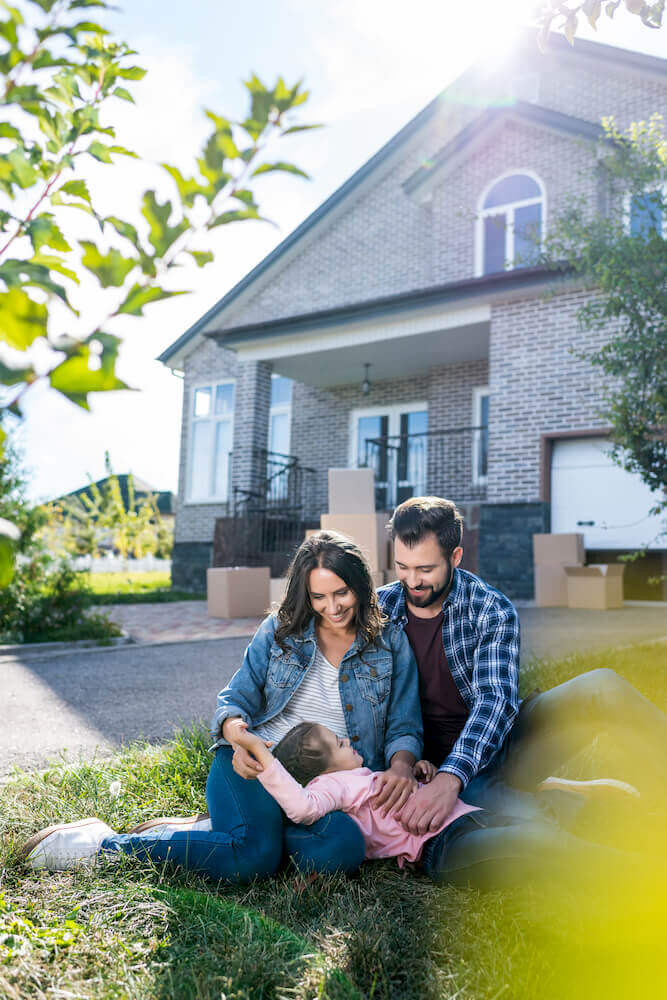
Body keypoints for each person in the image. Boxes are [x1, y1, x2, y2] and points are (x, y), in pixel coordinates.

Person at [21, 531, 423, 880]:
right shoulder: (281, 632)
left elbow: (405, 724)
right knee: (253, 859)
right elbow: (234, 701)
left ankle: (217, 831)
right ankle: (103, 846)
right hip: (252, 765)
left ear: (361, 586)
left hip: (330, 787)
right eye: (318, 596)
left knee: (343, 847)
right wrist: (237, 735)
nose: (331, 607)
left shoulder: (388, 643)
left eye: (341, 593)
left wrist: (402, 765)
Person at [375, 496, 667, 838]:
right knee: (541, 823)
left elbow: (494, 701)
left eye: (426, 569)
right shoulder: (379, 608)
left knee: (602, 686)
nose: (412, 581)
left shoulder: (489, 607)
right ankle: (564, 800)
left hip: (497, 749)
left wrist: (451, 777)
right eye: (402, 566)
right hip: (429, 767)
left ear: (455, 556)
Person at [229, 720, 646, 891]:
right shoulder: (330, 787)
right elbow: (300, 808)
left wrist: (421, 772)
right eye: (339, 744)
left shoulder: (362, 775)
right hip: (444, 848)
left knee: (552, 816)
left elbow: (402, 785)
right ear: (318, 770)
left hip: (469, 815)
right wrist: (264, 760)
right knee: (539, 843)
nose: (349, 742)